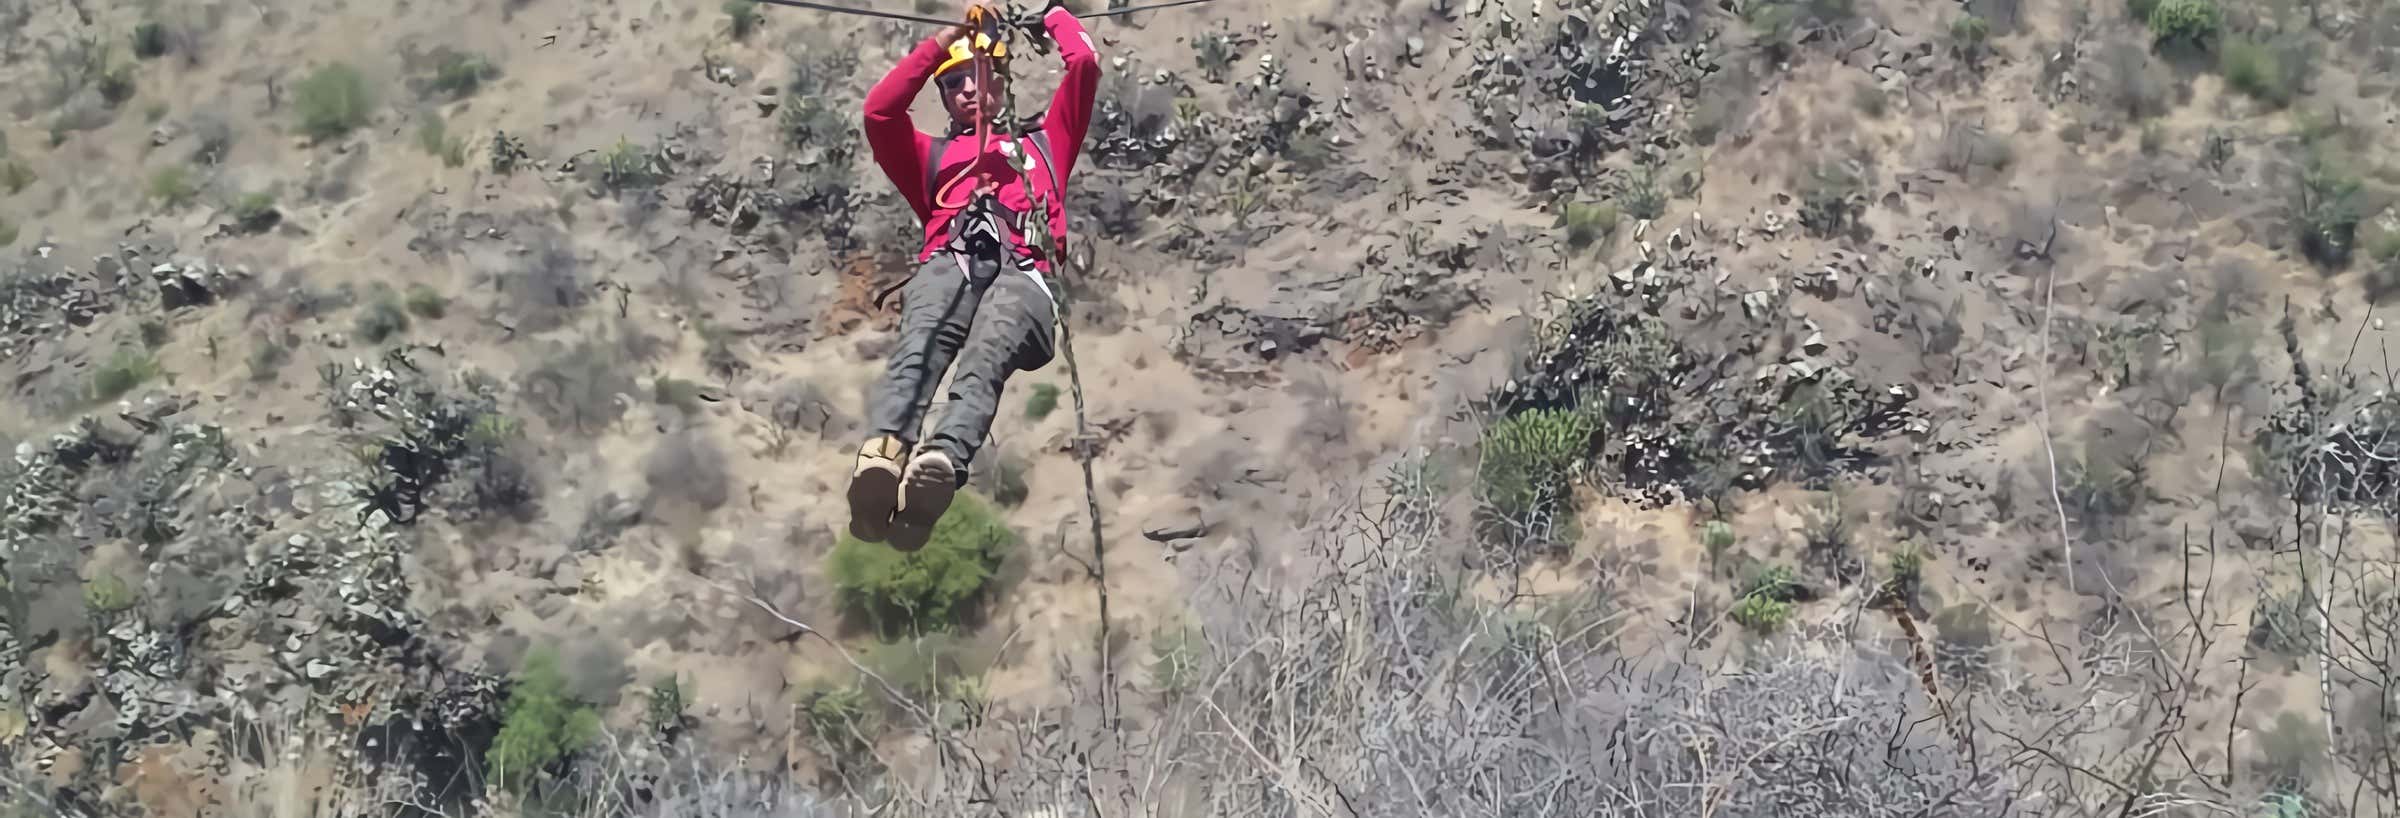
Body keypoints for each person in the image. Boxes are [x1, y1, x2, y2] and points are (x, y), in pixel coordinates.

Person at [849, 0, 1100, 551]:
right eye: (951, 84)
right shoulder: (930, 157)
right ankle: (883, 460)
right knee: (920, 343)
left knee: (986, 351)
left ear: (1001, 79)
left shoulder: (1044, 144)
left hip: (1026, 275)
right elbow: (879, 113)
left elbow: (1083, 65)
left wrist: (1050, 15)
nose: (964, 90)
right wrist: (945, 41)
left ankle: (939, 460)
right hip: (953, 261)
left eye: (977, 75)